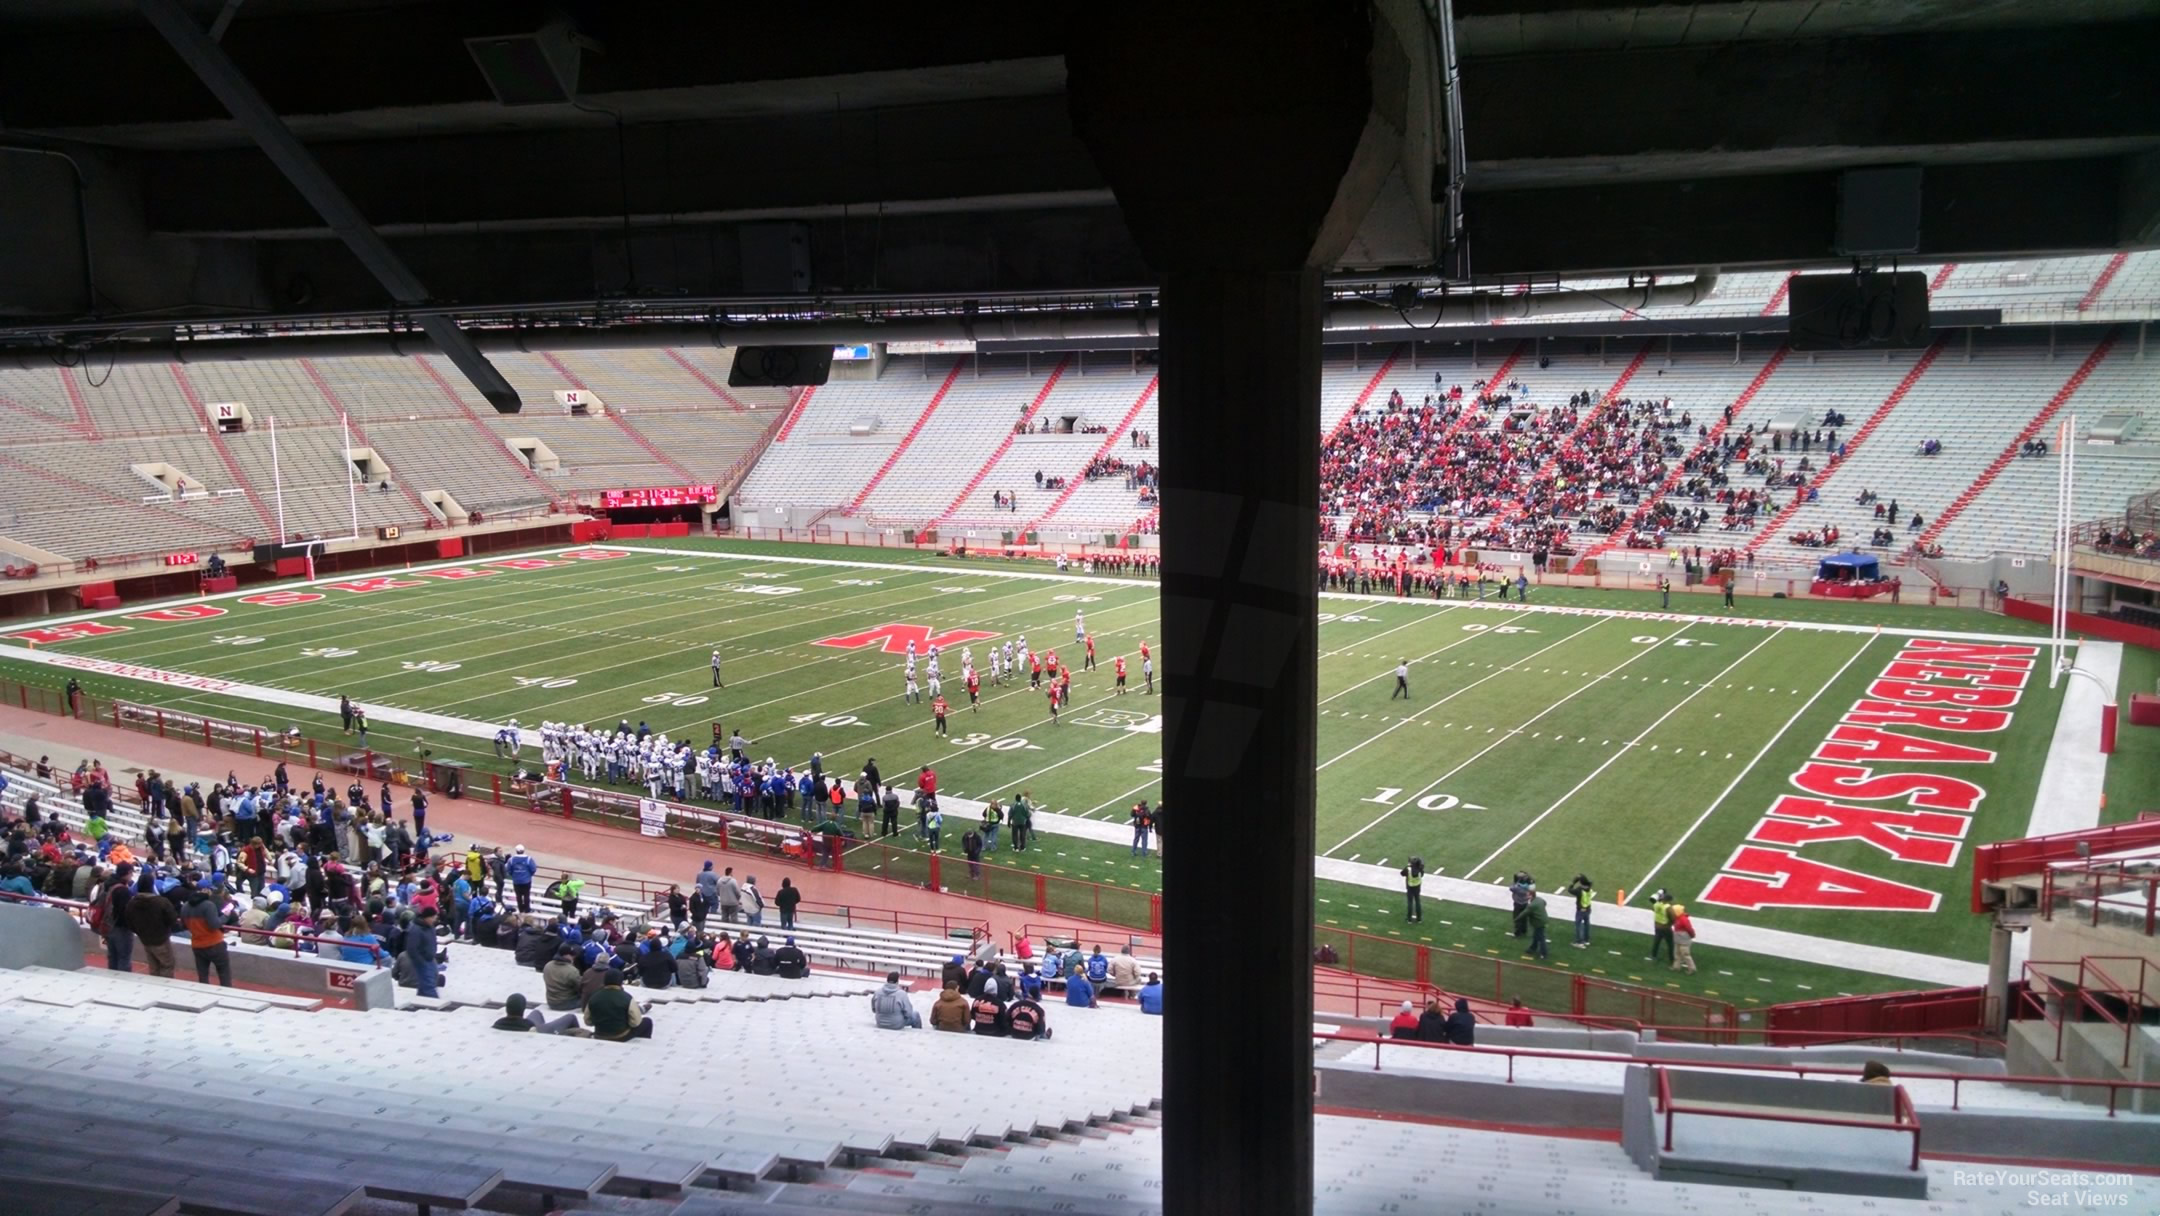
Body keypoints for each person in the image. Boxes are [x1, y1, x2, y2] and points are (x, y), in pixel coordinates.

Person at [182, 881, 233, 987]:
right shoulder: (208, 905)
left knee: (203, 975)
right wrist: (226, 916)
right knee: (224, 974)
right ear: (206, 890)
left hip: (197, 944)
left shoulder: (185, 906)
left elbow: (184, 925)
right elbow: (215, 924)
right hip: (215, 944)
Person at [584, 969, 653, 1040]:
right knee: (647, 1022)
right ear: (620, 981)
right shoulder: (627, 998)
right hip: (620, 1036)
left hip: (599, 1034)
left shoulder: (594, 997)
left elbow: (587, 1021)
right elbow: (635, 1022)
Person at [495, 991, 580, 1035]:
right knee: (570, 1017)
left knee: (536, 1012)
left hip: (525, 1025)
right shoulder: (528, 1026)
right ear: (522, 1010)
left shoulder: (498, 1023)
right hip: (540, 1032)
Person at [404, 906, 442, 998]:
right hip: (423, 961)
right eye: (433, 918)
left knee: (428, 981)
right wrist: (420, 961)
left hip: (430, 958)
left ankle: (420, 999)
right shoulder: (416, 930)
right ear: (427, 917)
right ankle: (435, 1003)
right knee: (429, 984)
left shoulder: (430, 927)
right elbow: (411, 948)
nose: (434, 920)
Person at [543, 946, 583, 1012]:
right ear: (566, 955)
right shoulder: (572, 971)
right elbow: (581, 988)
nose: (574, 957)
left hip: (550, 1001)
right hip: (565, 1003)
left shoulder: (548, 965)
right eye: (572, 955)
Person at [1647, 889, 1674, 964]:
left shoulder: (1656, 905)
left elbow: (1654, 909)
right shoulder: (1668, 907)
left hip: (1657, 926)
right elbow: (1673, 917)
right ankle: (1672, 959)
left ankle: (1653, 955)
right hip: (1665, 927)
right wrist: (1670, 924)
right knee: (1670, 944)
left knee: (1657, 941)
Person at [507, 844, 536, 913]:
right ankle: (527, 909)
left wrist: (514, 875)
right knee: (526, 895)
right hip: (526, 881)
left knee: (518, 896)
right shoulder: (528, 859)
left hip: (516, 881)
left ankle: (521, 909)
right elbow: (533, 869)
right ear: (523, 850)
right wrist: (529, 875)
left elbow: (509, 870)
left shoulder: (511, 860)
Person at [1670, 901, 1698, 974]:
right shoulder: (1677, 918)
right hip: (1678, 938)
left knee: (1685, 954)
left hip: (1684, 940)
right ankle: (1676, 967)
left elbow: (1689, 928)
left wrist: (1692, 935)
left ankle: (1692, 969)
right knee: (1677, 953)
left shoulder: (1683, 919)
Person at [1525, 893, 1550, 961]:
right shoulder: (1537, 901)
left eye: (1528, 895)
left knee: (1541, 938)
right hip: (1539, 922)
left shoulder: (1534, 903)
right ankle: (1532, 948)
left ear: (1532, 895)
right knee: (1536, 935)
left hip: (1539, 922)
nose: (1526, 896)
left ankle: (1544, 954)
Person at [1401, 857, 1425, 922]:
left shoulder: (1408, 869)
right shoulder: (1420, 869)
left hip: (1410, 887)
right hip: (1417, 887)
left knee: (1410, 902)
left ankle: (1409, 919)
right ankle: (1419, 918)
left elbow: (1402, 873)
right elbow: (1422, 874)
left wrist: (1408, 866)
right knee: (1417, 902)